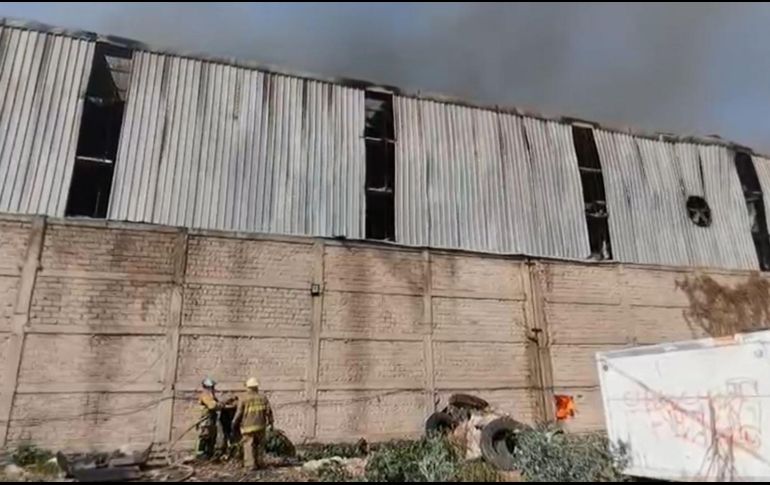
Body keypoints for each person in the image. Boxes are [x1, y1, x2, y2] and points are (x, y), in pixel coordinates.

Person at [233, 377, 273, 470]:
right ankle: (260, 463)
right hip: (261, 426)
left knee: (248, 445)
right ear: (256, 387)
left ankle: (250, 465)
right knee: (260, 445)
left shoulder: (243, 398)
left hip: (248, 426)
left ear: (247, 387)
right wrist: (271, 423)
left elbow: (239, 413)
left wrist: (234, 422)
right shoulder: (263, 398)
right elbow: (269, 412)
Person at [196, 377, 221, 459]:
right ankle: (201, 453)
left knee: (211, 436)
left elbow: (217, 404)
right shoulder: (205, 396)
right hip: (206, 420)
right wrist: (220, 405)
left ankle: (209, 453)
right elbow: (212, 406)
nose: (213, 389)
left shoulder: (211, 396)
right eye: (212, 387)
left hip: (211, 419)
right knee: (205, 436)